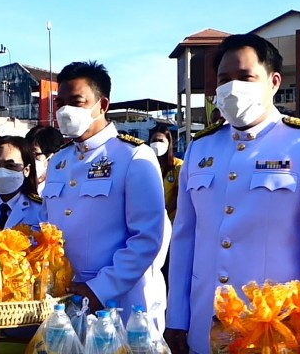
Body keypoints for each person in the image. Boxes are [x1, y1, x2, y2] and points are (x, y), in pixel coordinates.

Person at [165, 33, 300, 354]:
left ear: (273, 82)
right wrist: (177, 318)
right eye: (223, 79)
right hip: (206, 332)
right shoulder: (200, 148)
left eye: (245, 77)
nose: (232, 87)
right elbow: (184, 239)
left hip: (277, 336)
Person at [42, 60, 167, 328]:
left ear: (103, 105)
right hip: (65, 300)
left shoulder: (133, 156)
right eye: (60, 103)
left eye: (77, 101)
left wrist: (100, 288)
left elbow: (146, 239)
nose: (65, 111)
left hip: (119, 304)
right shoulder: (58, 162)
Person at [149, 124, 183, 221]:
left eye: (161, 141)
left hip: (170, 221)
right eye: (154, 141)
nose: (157, 144)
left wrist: (162, 215)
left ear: (169, 143)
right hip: (149, 219)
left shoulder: (178, 166)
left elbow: (178, 197)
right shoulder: (145, 165)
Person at [25, 125, 66, 194]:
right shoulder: (19, 188)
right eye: (28, 154)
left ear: (53, 156)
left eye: (35, 153)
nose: (31, 158)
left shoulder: (64, 188)